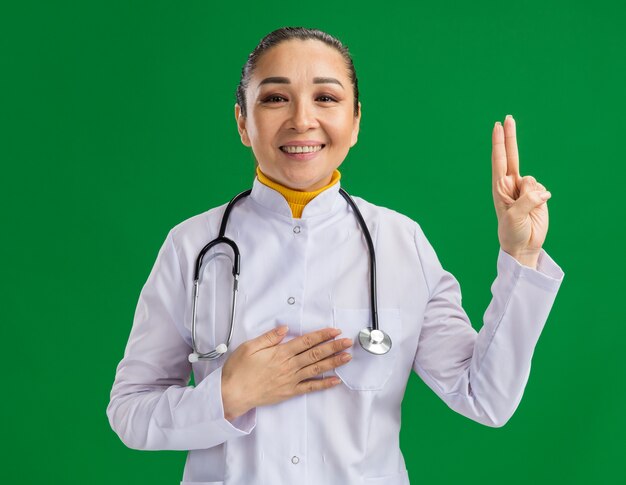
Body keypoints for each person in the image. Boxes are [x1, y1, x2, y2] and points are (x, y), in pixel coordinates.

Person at [106, 26, 565, 485]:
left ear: (356, 121)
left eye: (326, 97)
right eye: (274, 99)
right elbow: (129, 410)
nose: (302, 120)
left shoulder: (401, 243)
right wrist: (226, 394)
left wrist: (521, 256)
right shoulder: (192, 246)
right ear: (243, 122)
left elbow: (483, 397)